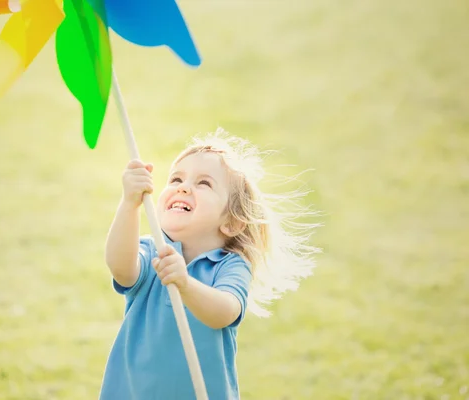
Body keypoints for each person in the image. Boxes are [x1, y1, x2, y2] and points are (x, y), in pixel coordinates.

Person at [99, 128, 320, 399]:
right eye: (176, 178)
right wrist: (128, 204)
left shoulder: (230, 266)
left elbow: (224, 312)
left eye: (204, 183)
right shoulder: (152, 250)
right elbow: (121, 269)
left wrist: (185, 284)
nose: (183, 186)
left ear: (232, 222)